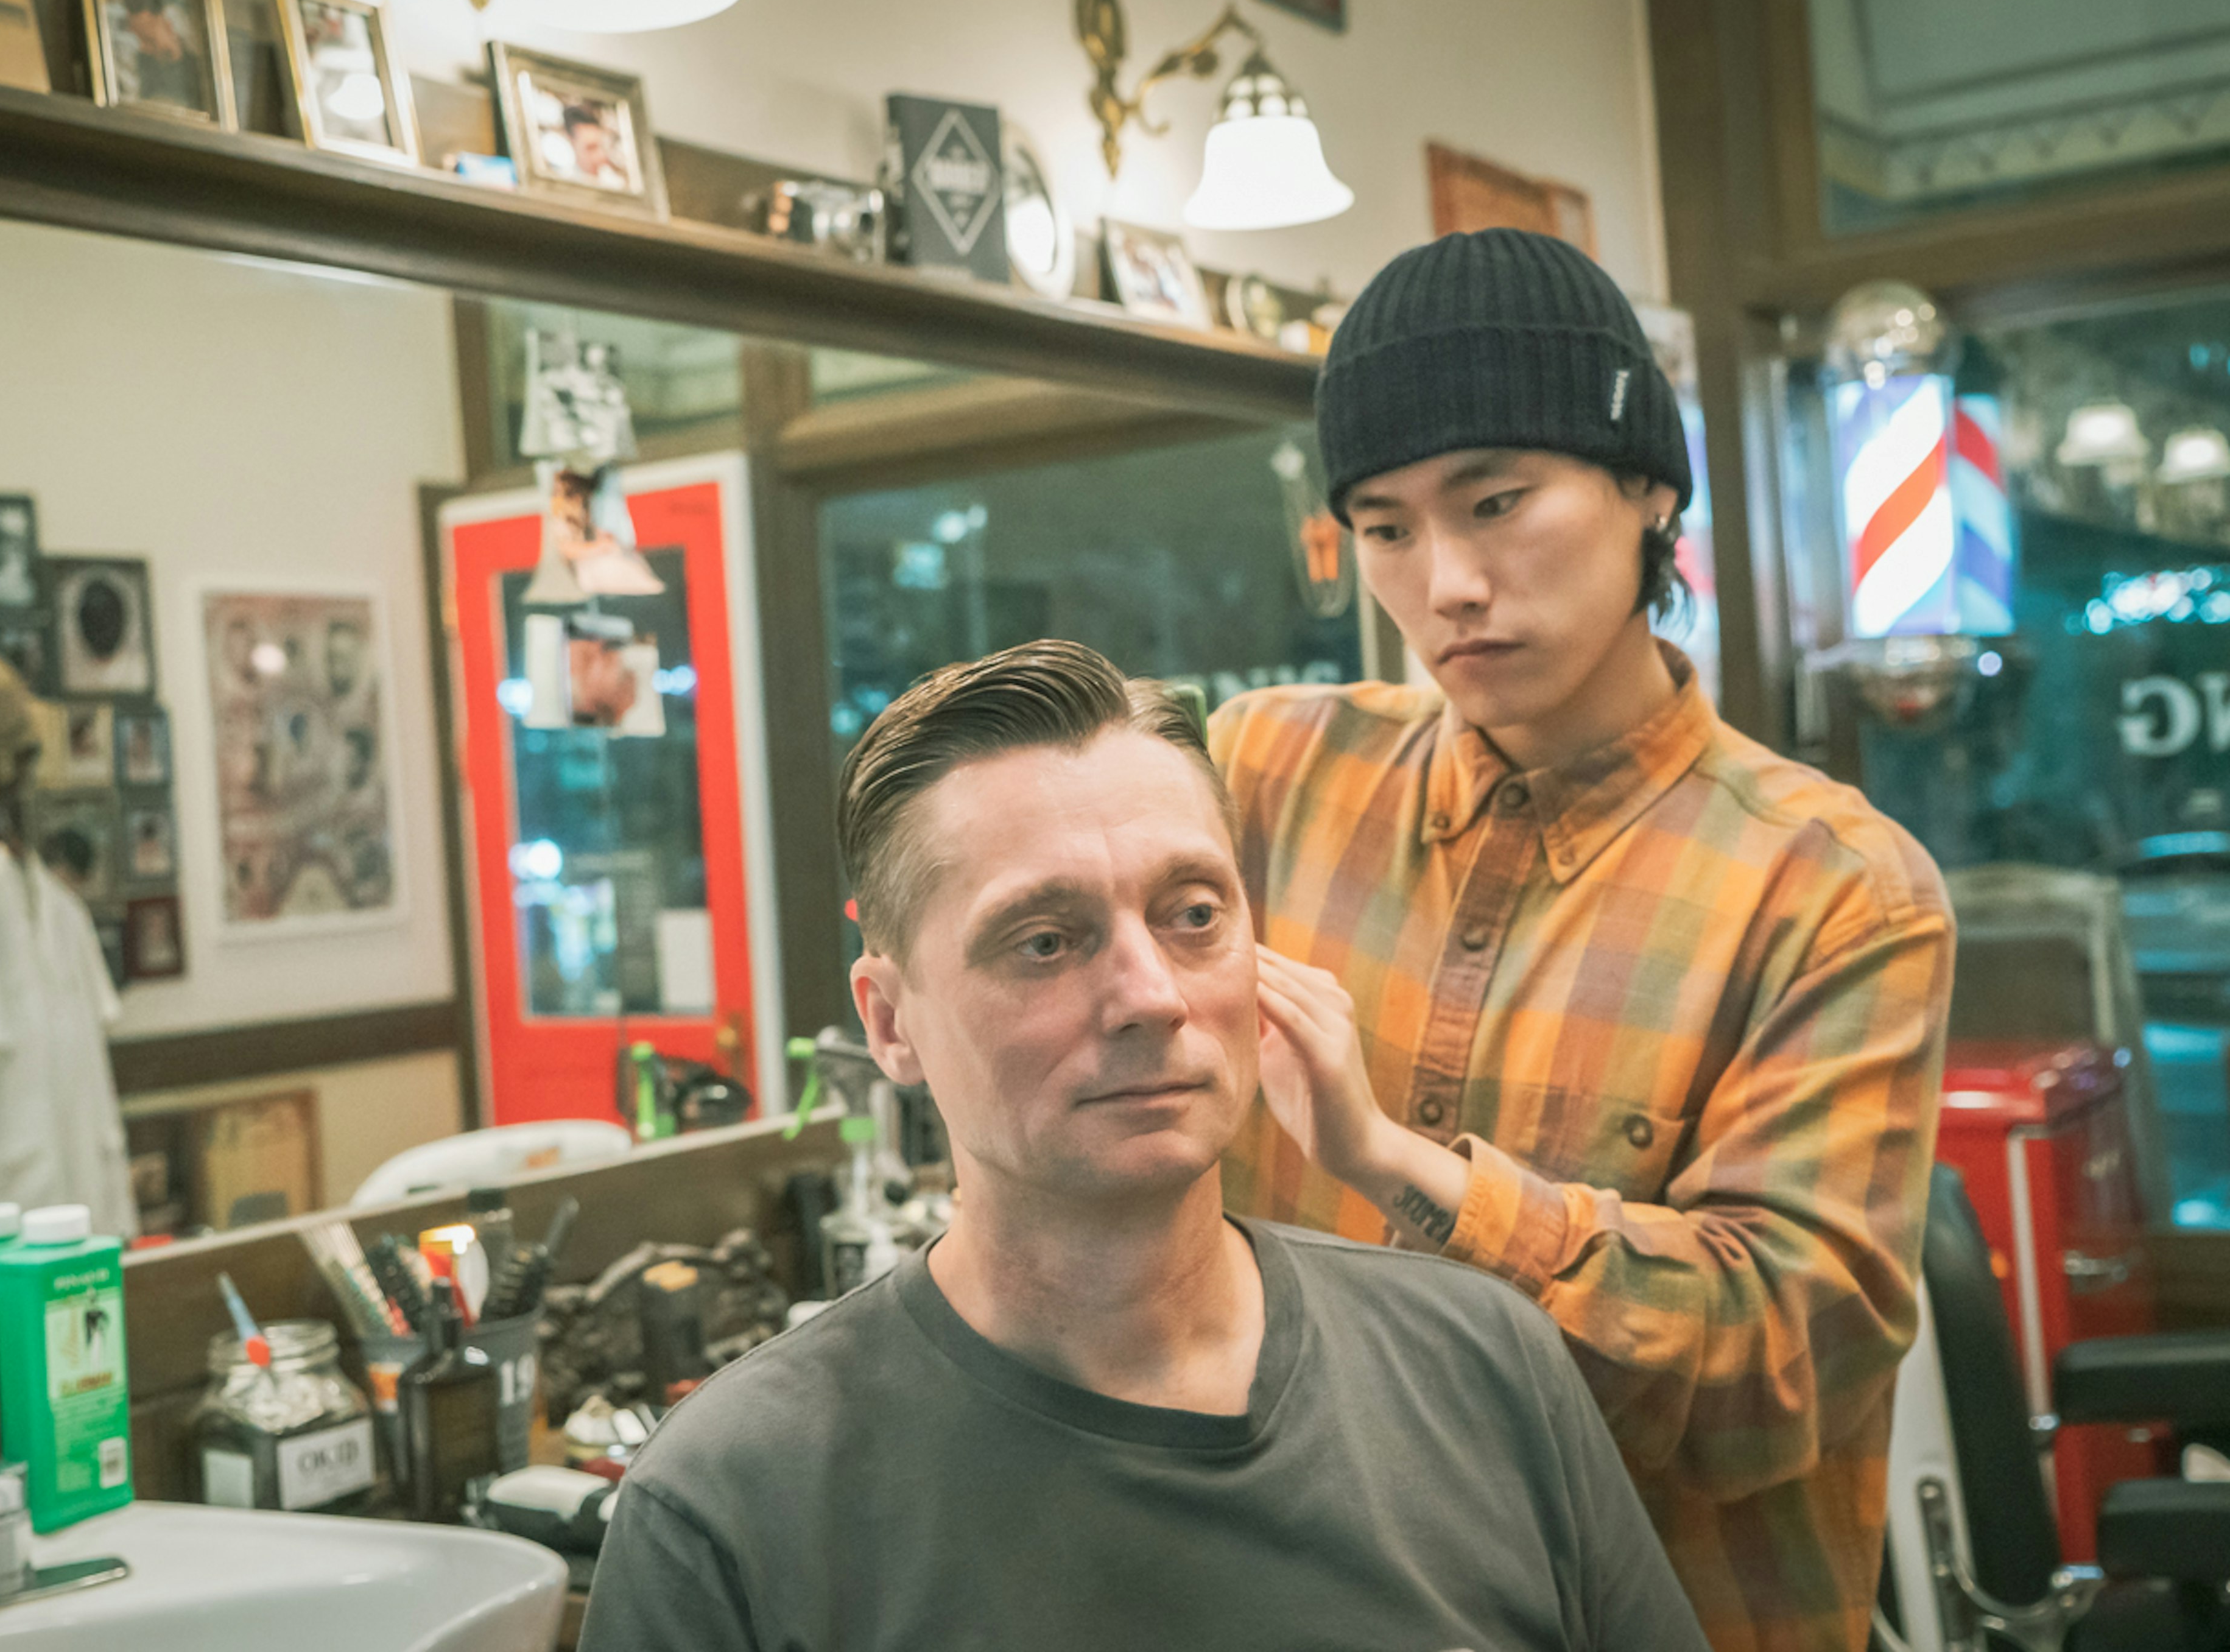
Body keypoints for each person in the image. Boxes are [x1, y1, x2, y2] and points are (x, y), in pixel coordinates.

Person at [580, 641, 1709, 1652]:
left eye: (1194, 914)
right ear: (889, 1022)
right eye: (1044, 941)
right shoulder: (735, 1506)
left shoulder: (1487, 1372)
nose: (1151, 996)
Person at [1214, 228, 1954, 1652]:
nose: (1447, 585)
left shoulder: (1834, 885)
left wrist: (1399, 1169)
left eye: (1496, 502)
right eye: (1386, 527)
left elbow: (1777, 1371)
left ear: (1645, 489)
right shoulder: (1264, 777)